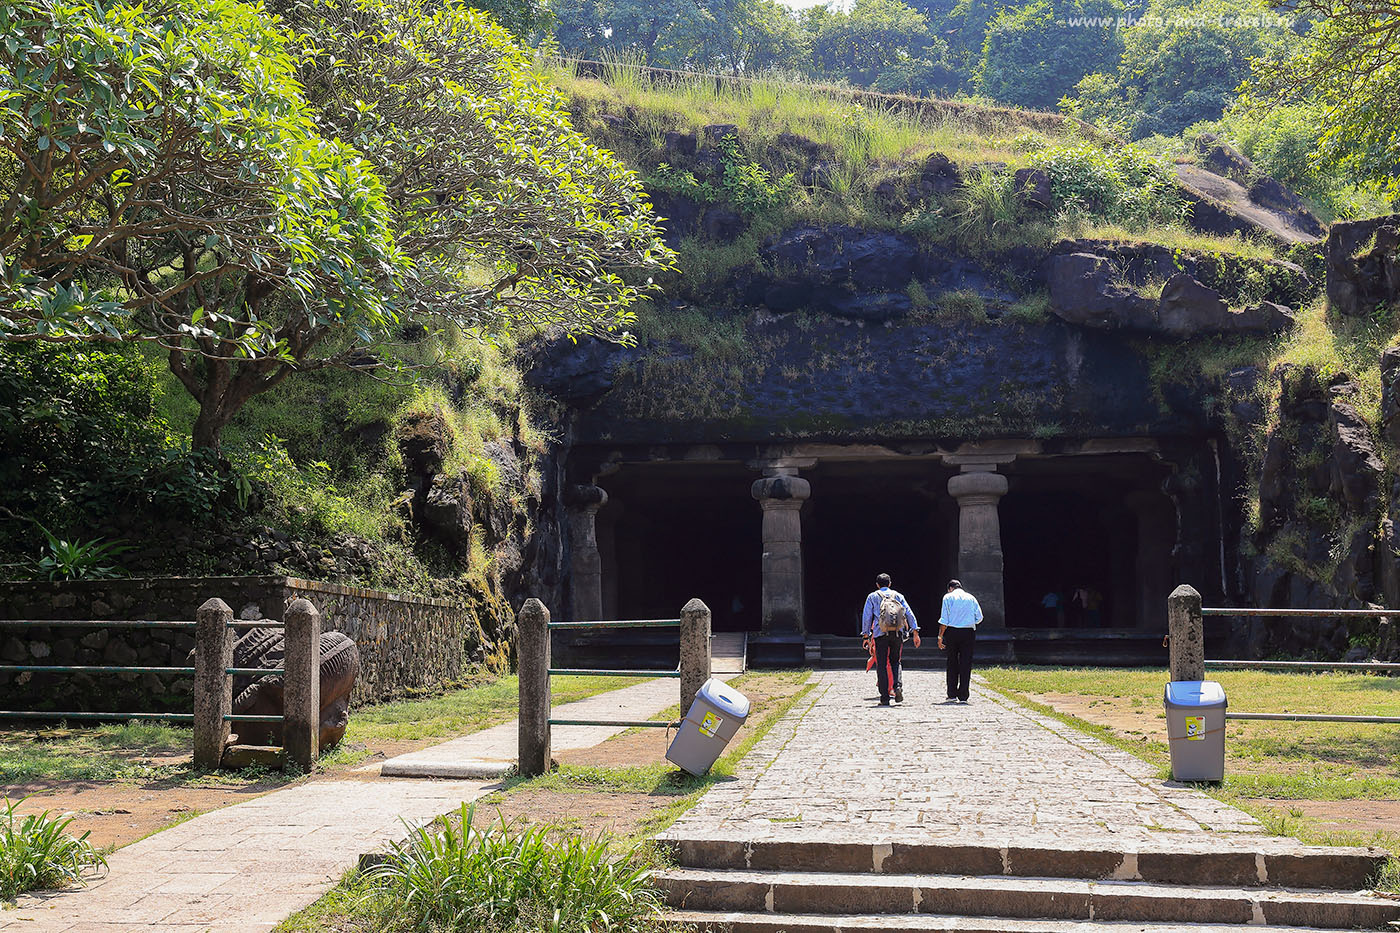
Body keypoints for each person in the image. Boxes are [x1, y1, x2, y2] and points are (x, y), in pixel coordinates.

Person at [860, 573, 920, 706]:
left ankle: (884, 697)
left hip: (880, 634)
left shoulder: (872, 596)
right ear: (890, 583)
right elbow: (909, 612)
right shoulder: (898, 596)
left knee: (881, 664)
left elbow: (867, 616)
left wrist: (866, 635)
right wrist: (915, 631)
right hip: (897, 633)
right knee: (896, 662)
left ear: (877, 585)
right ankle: (897, 686)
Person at [937, 578, 982, 703]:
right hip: (968, 632)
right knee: (966, 662)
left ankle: (952, 693)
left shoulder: (948, 597)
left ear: (950, 588)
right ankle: (963, 694)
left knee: (952, 661)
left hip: (952, 631)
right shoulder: (971, 598)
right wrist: (969, 621)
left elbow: (944, 619)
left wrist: (940, 636)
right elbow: (979, 617)